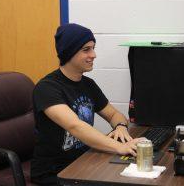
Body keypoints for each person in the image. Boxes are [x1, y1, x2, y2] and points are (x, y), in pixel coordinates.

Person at [31, 23, 142, 185]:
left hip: (83, 160)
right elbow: (75, 126)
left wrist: (120, 127)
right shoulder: (47, 88)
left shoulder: (88, 84)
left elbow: (114, 114)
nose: (94, 54)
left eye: (93, 48)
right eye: (86, 49)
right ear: (68, 53)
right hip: (54, 172)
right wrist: (119, 147)